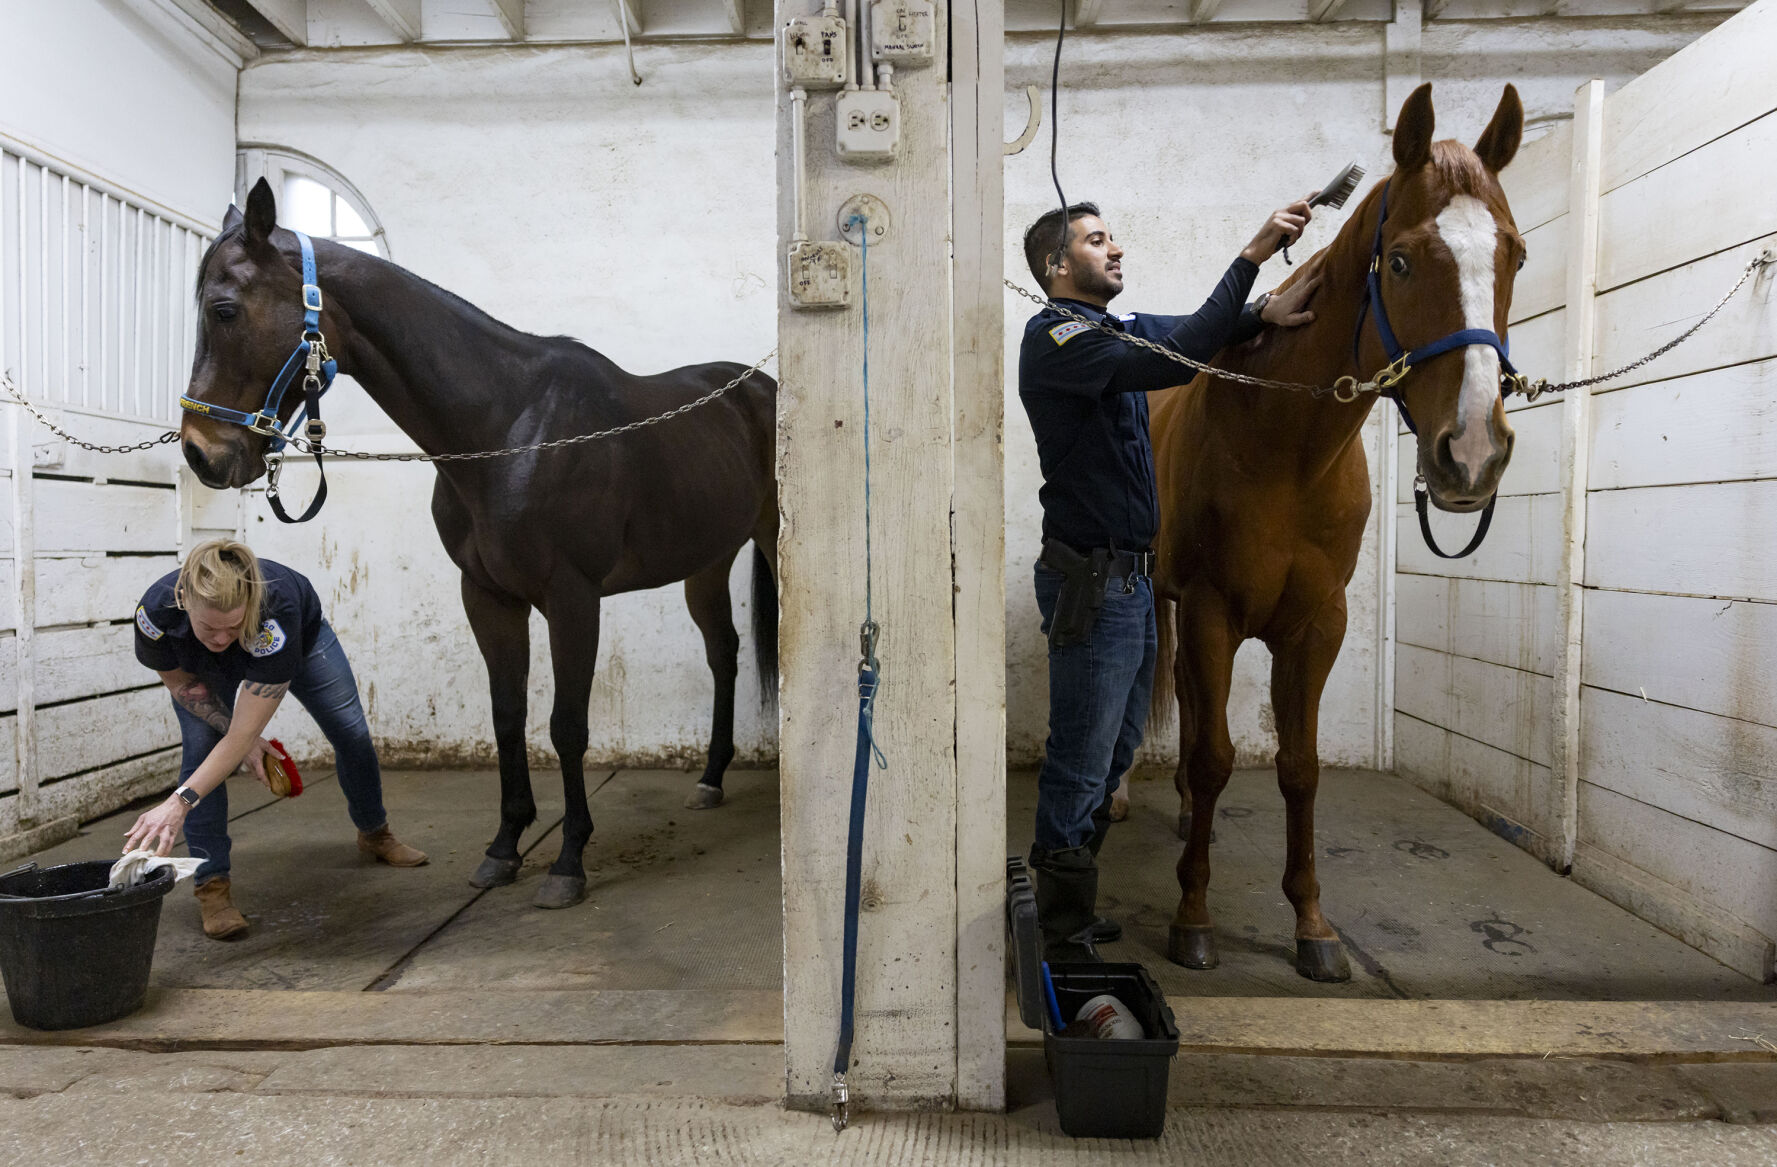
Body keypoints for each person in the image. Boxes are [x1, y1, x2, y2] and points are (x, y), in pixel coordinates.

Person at [1017, 198, 1322, 961]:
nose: (1114, 247)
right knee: (1079, 762)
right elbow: (1179, 352)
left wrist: (1261, 312)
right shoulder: (1056, 338)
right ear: (1058, 267)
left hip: (1130, 583)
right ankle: (1056, 928)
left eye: (1110, 235)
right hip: (1094, 582)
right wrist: (1251, 251)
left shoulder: (1108, 331)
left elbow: (1187, 328)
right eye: (1095, 240)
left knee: (1115, 749)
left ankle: (1070, 903)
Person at [123, 540, 426, 940]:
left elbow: (245, 729)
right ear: (183, 600)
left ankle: (375, 832)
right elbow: (183, 686)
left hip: (303, 642)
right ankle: (212, 886)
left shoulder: (276, 611)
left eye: (233, 626)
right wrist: (235, 746)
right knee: (200, 758)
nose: (221, 638)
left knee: (350, 732)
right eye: (209, 627)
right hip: (201, 670)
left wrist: (179, 802)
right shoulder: (155, 614)